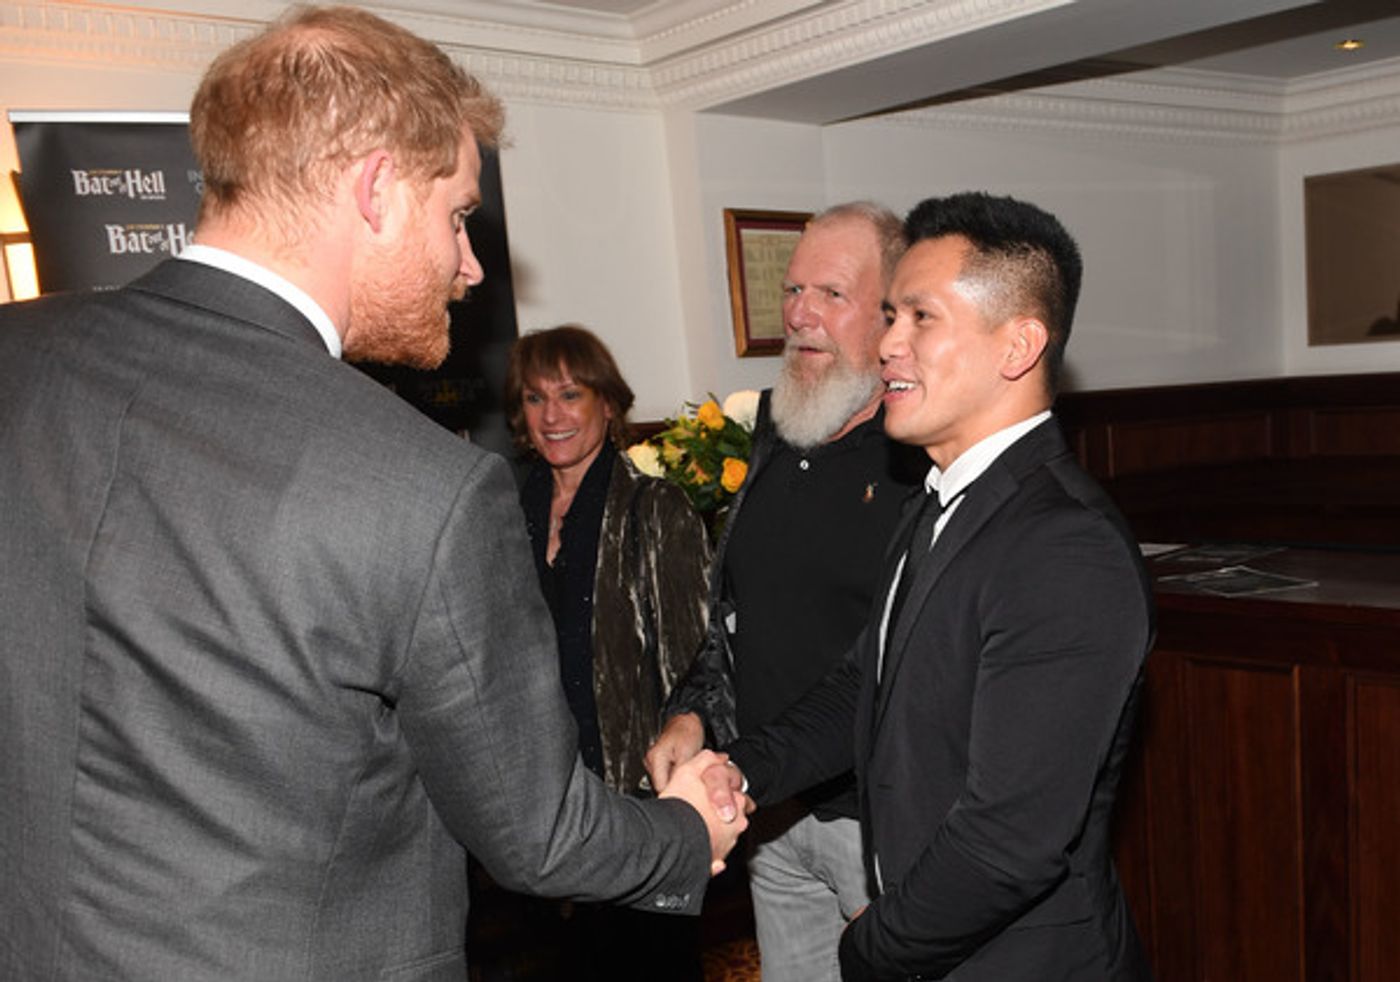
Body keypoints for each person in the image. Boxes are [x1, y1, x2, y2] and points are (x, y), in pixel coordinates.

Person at [0, 8, 745, 981]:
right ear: (378, 188)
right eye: (460, 216)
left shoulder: (19, 358)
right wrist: (685, 830)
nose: (470, 266)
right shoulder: (425, 486)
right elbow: (537, 834)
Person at [718, 191, 1155, 981]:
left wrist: (868, 948)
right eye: (889, 316)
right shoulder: (936, 500)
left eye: (921, 318)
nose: (888, 344)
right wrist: (746, 769)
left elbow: (1008, 843)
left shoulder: (1064, 547)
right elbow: (864, 682)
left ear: (1017, 345)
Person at [646, 201, 923, 981]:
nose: (799, 314)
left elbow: (893, 666)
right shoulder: (773, 430)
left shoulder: (922, 464)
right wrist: (692, 715)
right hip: (772, 814)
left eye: (831, 295)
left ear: (891, 315)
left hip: (883, 829)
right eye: (793, 291)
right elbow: (738, 621)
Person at [495, 324, 711, 979]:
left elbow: (702, 663)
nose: (552, 415)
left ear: (609, 404)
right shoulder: (499, 515)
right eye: (535, 399)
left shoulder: (656, 510)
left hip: (634, 812)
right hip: (530, 812)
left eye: (571, 394)